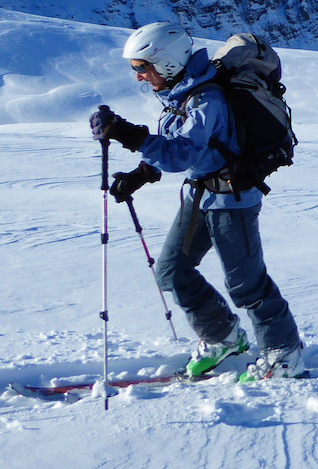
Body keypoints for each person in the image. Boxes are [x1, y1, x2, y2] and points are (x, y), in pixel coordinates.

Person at [90, 21, 304, 381]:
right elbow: (182, 147)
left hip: (232, 201)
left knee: (247, 285)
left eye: (143, 67)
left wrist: (129, 134)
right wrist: (140, 175)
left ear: (168, 62)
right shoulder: (180, 93)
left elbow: (181, 153)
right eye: (136, 69)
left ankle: (284, 353)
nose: (139, 77)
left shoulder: (207, 99)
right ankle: (222, 337)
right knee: (171, 272)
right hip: (199, 197)